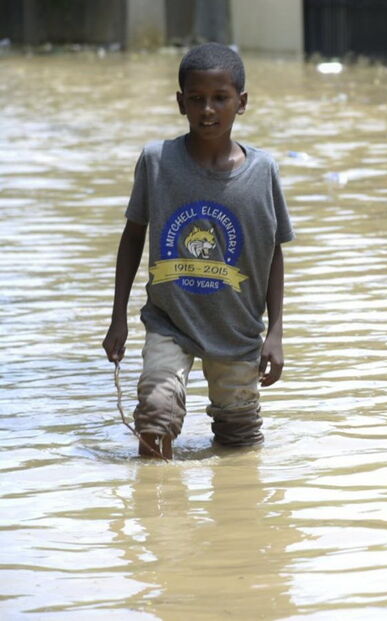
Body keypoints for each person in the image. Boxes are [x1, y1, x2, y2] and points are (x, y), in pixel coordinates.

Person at [102, 42, 294, 459]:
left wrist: (276, 331)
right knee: (155, 416)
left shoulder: (262, 172)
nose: (208, 110)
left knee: (238, 441)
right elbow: (133, 237)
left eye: (220, 99)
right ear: (180, 103)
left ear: (241, 103)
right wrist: (118, 317)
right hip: (170, 322)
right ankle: (157, 513)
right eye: (197, 99)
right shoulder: (157, 162)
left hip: (237, 330)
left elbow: (273, 252)